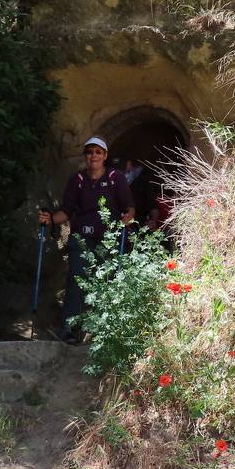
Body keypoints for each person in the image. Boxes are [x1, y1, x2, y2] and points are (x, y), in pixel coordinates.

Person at [39, 136, 134, 344]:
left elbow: (129, 207)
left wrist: (128, 218)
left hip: (108, 238)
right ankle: (70, 330)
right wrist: (49, 220)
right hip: (81, 238)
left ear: (105, 156)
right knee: (76, 281)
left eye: (98, 152)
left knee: (107, 282)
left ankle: (104, 332)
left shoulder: (115, 177)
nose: (94, 156)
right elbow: (66, 211)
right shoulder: (78, 180)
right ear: (85, 155)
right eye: (90, 152)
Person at [122, 157, 158, 234]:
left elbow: (152, 205)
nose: (127, 172)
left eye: (129, 168)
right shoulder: (116, 181)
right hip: (121, 222)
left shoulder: (143, 182)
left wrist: (153, 221)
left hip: (140, 221)